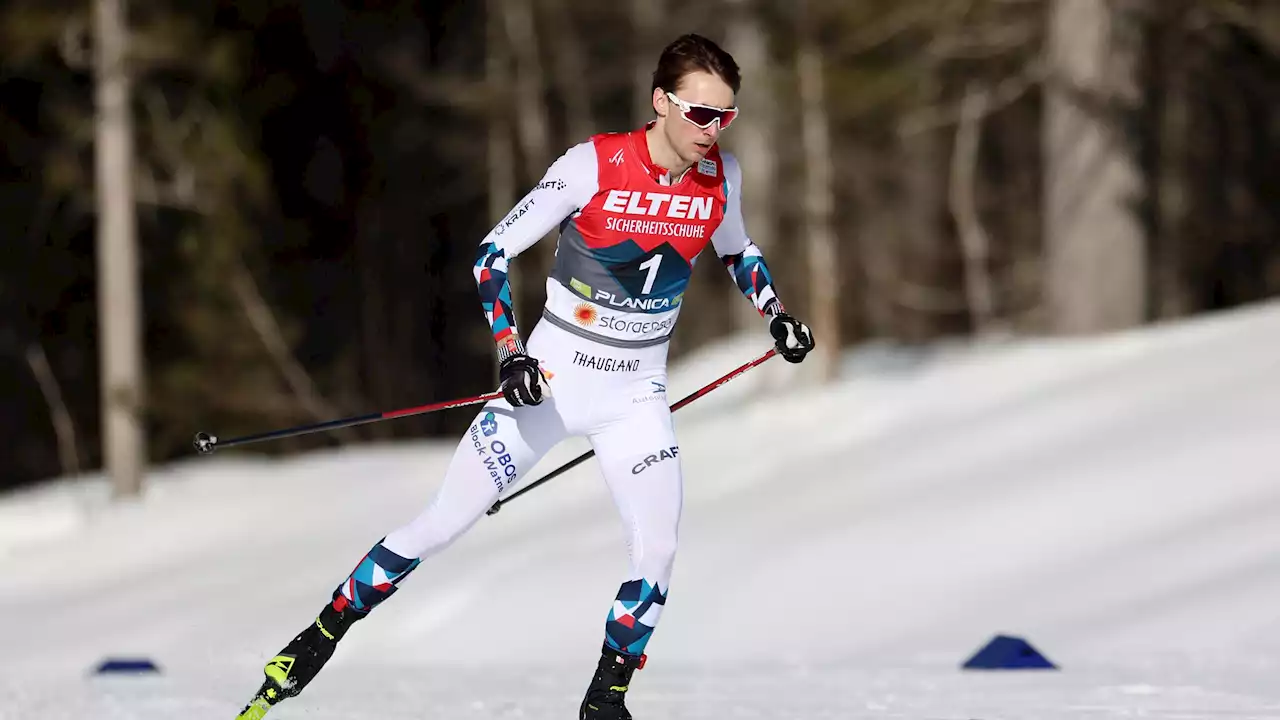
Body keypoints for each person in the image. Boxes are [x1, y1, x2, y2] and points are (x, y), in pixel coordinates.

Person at [235, 32, 815, 720]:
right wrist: (511, 353)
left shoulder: (723, 178)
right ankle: (313, 642)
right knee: (441, 526)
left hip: (635, 395)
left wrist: (776, 314)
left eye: (725, 117)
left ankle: (605, 703)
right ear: (660, 102)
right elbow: (490, 255)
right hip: (551, 381)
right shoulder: (592, 164)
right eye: (698, 113)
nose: (711, 131)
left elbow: (737, 248)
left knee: (657, 549)